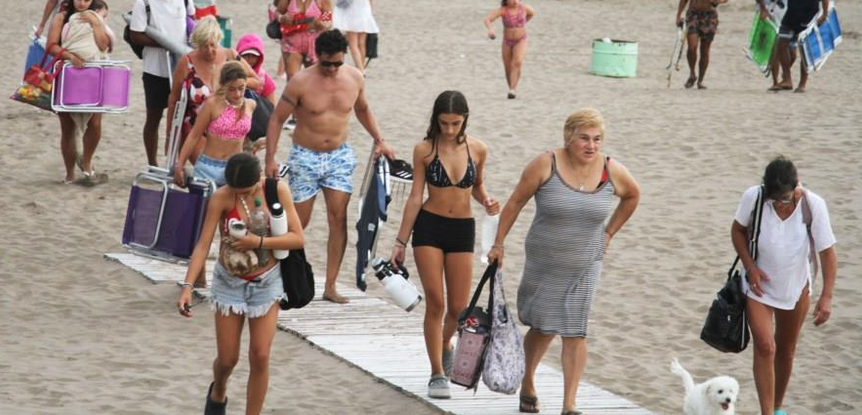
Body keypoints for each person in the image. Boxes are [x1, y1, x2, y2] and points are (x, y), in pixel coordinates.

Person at [487, 108, 640, 415]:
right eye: (584, 138)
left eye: (597, 139)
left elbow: (633, 195)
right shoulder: (546, 163)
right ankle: (528, 381)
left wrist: (609, 233)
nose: (591, 146)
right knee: (543, 326)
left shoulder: (611, 169)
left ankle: (570, 404)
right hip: (545, 260)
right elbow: (516, 202)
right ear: (569, 137)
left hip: (586, 262)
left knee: (575, 330)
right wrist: (498, 243)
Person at [264, 29, 395, 304]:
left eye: (338, 62)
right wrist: (270, 159)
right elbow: (276, 120)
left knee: (338, 219)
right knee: (298, 222)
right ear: (317, 56)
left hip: (339, 155)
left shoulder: (354, 77)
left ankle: (331, 285)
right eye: (327, 63)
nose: (333, 69)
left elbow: (362, 109)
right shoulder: (300, 81)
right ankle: (280, 277)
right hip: (305, 155)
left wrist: (380, 140)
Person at [177, 153, 304, 415]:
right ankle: (219, 389)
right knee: (227, 359)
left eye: (243, 190)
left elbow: (297, 238)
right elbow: (203, 244)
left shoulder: (277, 191)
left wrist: (257, 242)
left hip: (267, 282)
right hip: (229, 281)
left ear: (258, 179)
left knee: (260, 356)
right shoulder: (222, 196)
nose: (238, 194)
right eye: (234, 189)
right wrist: (188, 286)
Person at [389, 90, 497, 398]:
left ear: (465, 120)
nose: (449, 130)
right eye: (444, 123)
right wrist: (401, 241)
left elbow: (477, 187)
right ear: (436, 120)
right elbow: (414, 197)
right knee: (435, 302)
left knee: (458, 308)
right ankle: (437, 372)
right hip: (429, 227)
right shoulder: (424, 149)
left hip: (463, 228)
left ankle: (445, 342)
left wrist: (487, 200)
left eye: (455, 123)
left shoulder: (478, 149)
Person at [731, 156, 837, 415]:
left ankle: (777, 408)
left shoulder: (813, 205)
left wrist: (826, 297)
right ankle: (767, 412)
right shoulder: (754, 198)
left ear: (796, 187)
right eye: (775, 199)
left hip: (796, 288)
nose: (780, 204)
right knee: (766, 347)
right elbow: (737, 231)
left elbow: (827, 253)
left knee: (786, 350)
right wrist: (750, 267)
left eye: (786, 198)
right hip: (758, 289)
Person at [128, 0, 195, 166]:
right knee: (154, 118)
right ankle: (152, 163)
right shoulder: (144, 3)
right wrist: (163, 44)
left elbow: (192, 20)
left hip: (182, 69)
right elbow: (136, 35)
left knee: (184, 118)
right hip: (155, 70)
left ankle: (178, 161)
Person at [44, 0, 110, 185]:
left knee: (96, 124)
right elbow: (51, 46)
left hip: (94, 74)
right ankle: (70, 173)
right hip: (68, 74)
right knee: (67, 127)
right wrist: (70, 56)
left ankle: (87, 163)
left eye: (86, 0)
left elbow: (103, 45)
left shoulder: (96, 17)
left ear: (92, 1)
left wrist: (96, 24)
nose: (82, 3)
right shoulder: (61, 17)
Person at [174, 61, 256, 192]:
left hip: (234, 169)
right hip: (207, 167)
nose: (238, 94)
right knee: (202, 210)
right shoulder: (212, 104)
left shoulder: (250, 105)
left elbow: (259, 133)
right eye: (232, 89)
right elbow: (194, 135)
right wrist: (180, 165)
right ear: (223, 86)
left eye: (241, 88)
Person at [758, 0, 829, 93]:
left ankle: (802, 83)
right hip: (791, 15)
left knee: (804, 50)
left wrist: (824, 14)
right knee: (781, 43)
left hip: (809, 16)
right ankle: (787, 80)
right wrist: (764, 7)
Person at [676, 0, 729, 89]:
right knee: (692, 47)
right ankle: (692, 73)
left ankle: (700, 80)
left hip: (710, 15)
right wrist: (679, 14)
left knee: (705, 49)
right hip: (693, 13)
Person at [275, 0, 334, 80]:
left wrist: (322, 24)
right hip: (292, 42)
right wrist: (282, 18)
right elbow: (278, 11)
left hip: (314, 43)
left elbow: (328, 20)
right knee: (292, 79)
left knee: (314, 80)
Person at [484, 0, 535, 99]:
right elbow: (488, 19)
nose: (515, 0)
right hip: (507, 41)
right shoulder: (503, 10)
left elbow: (532, 13)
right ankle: (511, 87)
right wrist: (491, 30)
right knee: (508, 67)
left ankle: (513, 89)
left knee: (517, 62)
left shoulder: (524, 8)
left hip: (521, 39)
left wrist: (523, 23)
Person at [333, 0, 378, 71]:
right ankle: (361, 67)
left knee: (353, 43)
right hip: (364, 11)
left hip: (351, 12)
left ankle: (360, 69)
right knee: (361, 43)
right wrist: (371, 12)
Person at [235, 33, 277, 102]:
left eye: (253, 56)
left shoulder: (263, 78)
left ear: (259, 58)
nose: (249, 58)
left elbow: (271, 106)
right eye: (246, 55)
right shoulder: (229, 72)